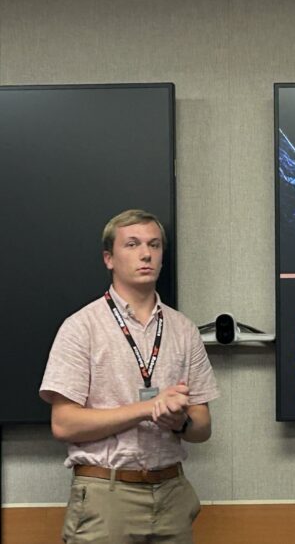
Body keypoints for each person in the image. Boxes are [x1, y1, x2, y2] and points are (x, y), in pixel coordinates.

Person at [39, 209, 220, 544]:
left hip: (171, 492)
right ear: (109, 258)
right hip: (106, 493)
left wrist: (178, 421)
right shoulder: (81, 327)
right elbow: (63, 424)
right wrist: (147, 409)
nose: (145, 254)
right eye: (132, 244)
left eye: (154, 245)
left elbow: (203, 427)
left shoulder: (183, 329)